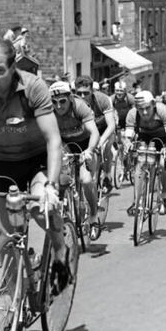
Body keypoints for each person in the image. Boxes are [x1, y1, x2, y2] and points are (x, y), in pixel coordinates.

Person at [0, 37, 69, 288]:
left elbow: (53, 139)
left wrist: (51, 185)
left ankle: (61, 251)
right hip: (3, 163)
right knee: (3, 236)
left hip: (37, 160)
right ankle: (13, 306)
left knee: (40, 208)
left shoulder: (33, 88)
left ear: (13, 67)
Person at [48, 80, 102, 234]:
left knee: (85, 181)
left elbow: (94, 133)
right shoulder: (50, 112)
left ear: (70, 98)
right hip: (66, 144)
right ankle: (65, 212)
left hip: (86, 145)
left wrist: (90, 150)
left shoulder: (79, 107)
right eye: (54, 102)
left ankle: (93, 216)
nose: (58, 106)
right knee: (58, 179)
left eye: (62, 101)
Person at [123, 90, 166, 214]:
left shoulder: (162, 111)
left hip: (163, 140)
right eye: (141, 109)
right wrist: (127, 143)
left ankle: (164, 195)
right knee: (139, 165)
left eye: (147, 108)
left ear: (153, 104)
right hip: (144, 139)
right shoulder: (132, 114)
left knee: (165, 165)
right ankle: (137, 201)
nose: (144, 112)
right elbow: (127, 137)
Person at [73, 75, 116, 226]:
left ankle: (108, 175)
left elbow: (111, 125)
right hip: (87, 132)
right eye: (79, 93)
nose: (83, 96)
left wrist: (101, 141)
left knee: (106, 147)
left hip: (103, 129)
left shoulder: (102, 100)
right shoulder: (74, 103)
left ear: (92, 91)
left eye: (86, 93)